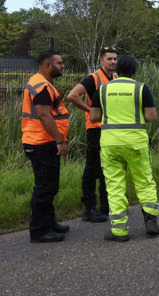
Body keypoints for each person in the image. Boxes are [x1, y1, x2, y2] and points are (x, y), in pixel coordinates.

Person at [90, 55, 159, 242]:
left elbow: (94, 117)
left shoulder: (102, 89)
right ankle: (150, 221)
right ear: (135, 72)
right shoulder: (141, 88)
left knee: (114, 185)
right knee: (144, 180)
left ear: (116, 71)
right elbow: (151, 117)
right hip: (136, 142)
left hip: (110, 144)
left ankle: (119, 231)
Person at [22, 50, 70, 243]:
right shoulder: (42, 86)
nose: (62, 66)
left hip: (41, 141)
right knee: (44, 187)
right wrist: (60, 140)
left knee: (49, 186)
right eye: (59, 63)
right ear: (47, 65)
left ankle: (49, 223)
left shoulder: (40, 82)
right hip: (42, 143)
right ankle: (40, 231)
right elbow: (43, 115)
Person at [67, 46, 117, 223]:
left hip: (111, 129)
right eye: (109, 59)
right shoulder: (93, 78)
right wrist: (90, 110)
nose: (113, 62)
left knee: (108, 168)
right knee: (92, 168)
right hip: (95, 129)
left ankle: (107, 206)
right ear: (101, 61)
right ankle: (89, 208)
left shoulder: (116, 78)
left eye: (114, 59)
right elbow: (72, 95)